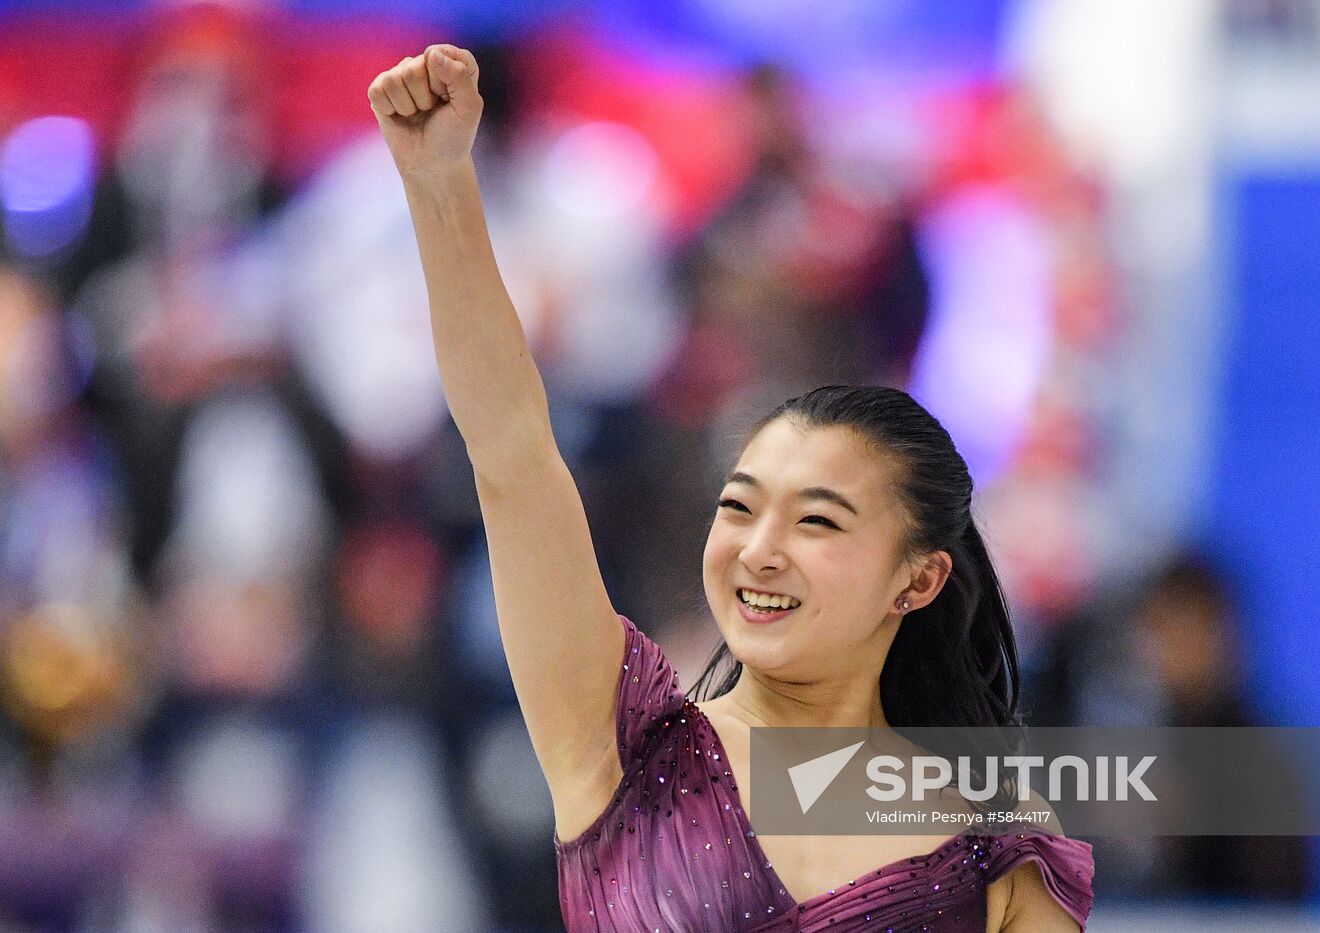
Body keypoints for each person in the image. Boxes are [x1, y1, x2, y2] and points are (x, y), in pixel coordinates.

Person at [367, 45, 1093, 932]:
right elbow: (512, 454)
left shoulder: (996, 843)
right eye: (739, 506)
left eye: (818, 518)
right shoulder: (615, 741)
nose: (759, 547)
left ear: (918, 576)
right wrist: (440, 185)